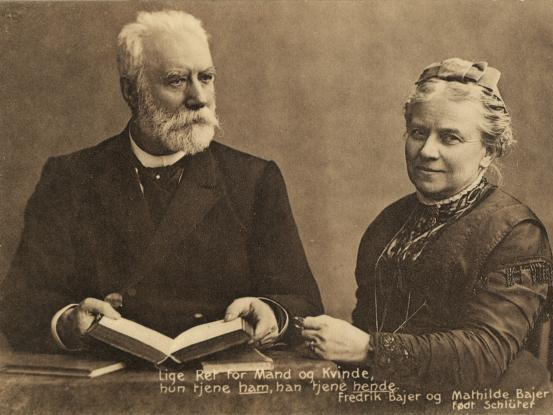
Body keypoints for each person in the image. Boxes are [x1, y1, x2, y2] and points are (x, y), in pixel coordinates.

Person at [0, 10, 323, 355]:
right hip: (109, 388)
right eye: (176, 80)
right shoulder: (69, 178)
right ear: (131, 91)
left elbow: (303, 301)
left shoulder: (254, 180)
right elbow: (20, 304)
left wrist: (272, 312)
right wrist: (69, 321)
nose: (198, 97)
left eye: (207, 77)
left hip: (220, 388)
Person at [302, 58, 553, 411]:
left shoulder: (518, 234)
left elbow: (485, 356)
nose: (427, 151)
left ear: (488, 150)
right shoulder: (389, 223)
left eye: (450, 137)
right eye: (418, 132)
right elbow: (367, 325)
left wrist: (369, 349)